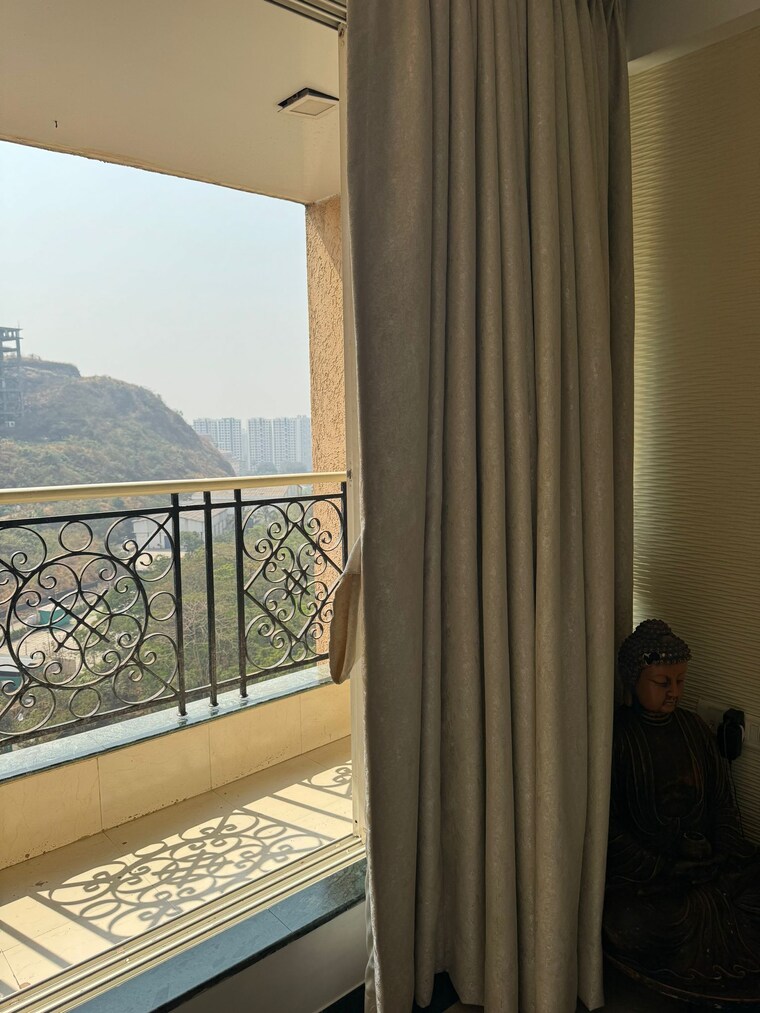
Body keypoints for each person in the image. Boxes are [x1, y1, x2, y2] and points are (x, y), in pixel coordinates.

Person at [603, 619, 760, 1006]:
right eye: (663, 682)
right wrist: (664, 865)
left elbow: (723, 803)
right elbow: (609, 828)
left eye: (681, 681)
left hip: (711, 865)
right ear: (632, 680)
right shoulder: (617, 738)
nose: (674, 692)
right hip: (654, 880)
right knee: (624, 921)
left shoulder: (693, 728)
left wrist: (721, 851)